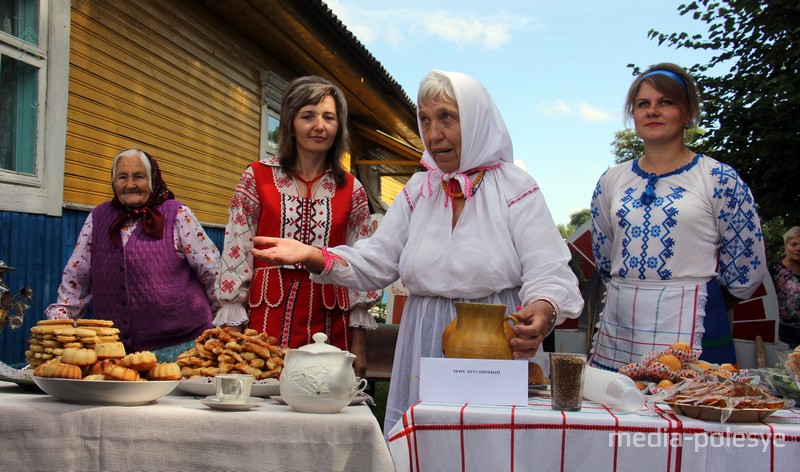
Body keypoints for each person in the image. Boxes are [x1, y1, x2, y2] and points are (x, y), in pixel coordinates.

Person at [247, 70, 583, 435]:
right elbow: (378, 259)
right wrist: (313, 255)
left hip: (494, 337)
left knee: (490, 440)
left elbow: (548, 267)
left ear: (476, 121)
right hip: (423, 333)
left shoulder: (515, 187)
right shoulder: (421, 187)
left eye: (446, 118)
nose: (433, 133)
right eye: (424, 120)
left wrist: (544, 307)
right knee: (424, 440)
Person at [588, 63, 767, 371]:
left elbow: (746, 267)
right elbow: (604, 258)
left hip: (696, 327)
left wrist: (706, 302)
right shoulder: (611, 181)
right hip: (621, 324)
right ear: (633, 115)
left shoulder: (718, 178)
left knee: (697, 410)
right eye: (643, 104)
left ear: (688, 114)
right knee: (616, 414)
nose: (652, 111)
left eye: (665, 102)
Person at [212, 76, 380, 376]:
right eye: (308, 116)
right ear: (290, 122)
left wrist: (359, 347)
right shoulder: (256, 177)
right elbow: (236, 254)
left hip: (331, 320)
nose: (320, 125)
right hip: (265, 319)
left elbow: (362, 264)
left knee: (324, 398)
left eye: (329, 117)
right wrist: (232, 339)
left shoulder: (351, 188)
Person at [46, 149, 220, 362]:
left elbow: (211, 271)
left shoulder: (178, 214)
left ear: (152, 179)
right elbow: (76, 277)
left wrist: (222, 326)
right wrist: (59, 328)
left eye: (138, 176)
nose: (130, 185)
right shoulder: (98, 217)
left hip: (181, 347)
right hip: (114, 350)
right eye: (122, 177)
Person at [769, 226, 800, 348]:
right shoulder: (774, 272)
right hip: (782, 334)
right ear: (786, 246)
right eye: (793, 244)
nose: (798, 248)